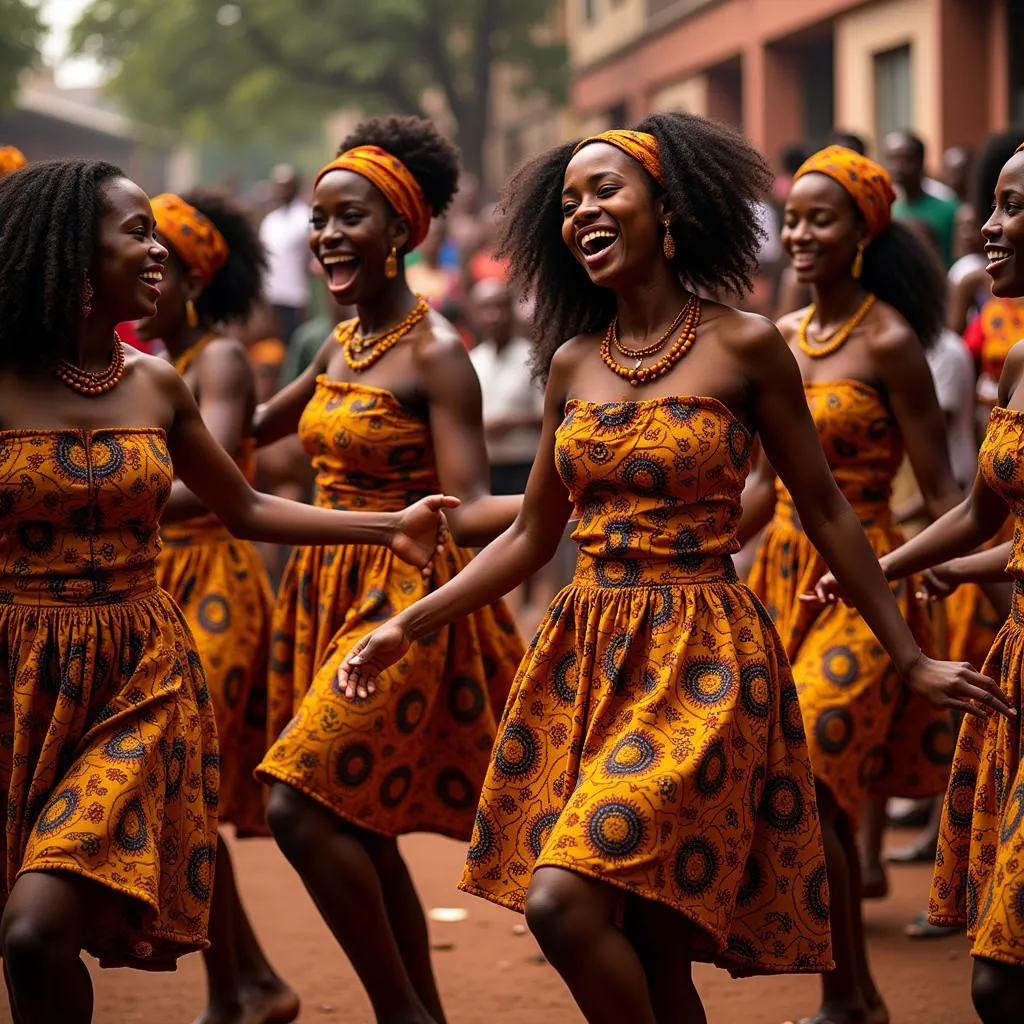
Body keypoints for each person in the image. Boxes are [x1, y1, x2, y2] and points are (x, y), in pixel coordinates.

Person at [334, 113, 1007, 1024]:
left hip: (706, 657)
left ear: (671, 207)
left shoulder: (746, 344)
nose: (584, 212)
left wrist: (910, 655)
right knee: (653, 949)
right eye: (569, 201)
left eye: (605, 190)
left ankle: (853, 994)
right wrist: (406, 622)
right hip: (585, 661)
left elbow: (828, 511)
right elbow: (533, 536)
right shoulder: (572, 362)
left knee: (561, 905)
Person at [0, 159, 456, 1024]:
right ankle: (248, 985)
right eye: (136, 234)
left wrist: (386, 525)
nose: (156, 252)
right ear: (69, 250)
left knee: (33, 931)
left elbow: (241, 504)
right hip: (20, 677)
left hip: (138, 674)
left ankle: (258, 988)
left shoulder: (157, 384)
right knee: (28, 938)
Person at [252, 116, 524, 1024]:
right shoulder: (337, 345)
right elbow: (245, 437)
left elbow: (471, 503)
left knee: (298, 806)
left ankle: (402, 1016)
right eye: (320, 219)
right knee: (352, 822)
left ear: (401, 232)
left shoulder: (437, 354)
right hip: (324, 596)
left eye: (351, 217)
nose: (328, 235)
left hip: (408, 593)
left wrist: (572, 499)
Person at [739, 145, 961, 1023]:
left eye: (819, 219)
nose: (798, 234)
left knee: (822, 773)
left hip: (869, 578)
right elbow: (762, 487)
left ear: (862, 233)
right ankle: (857, 995)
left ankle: (848, 998)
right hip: (784, 575)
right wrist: (695, 545)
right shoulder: (779, 340)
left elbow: (943, 490)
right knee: (792, 779)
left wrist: (965, 579)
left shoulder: (892, 341)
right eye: (793, 217)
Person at [808, 141, 1024, 1024]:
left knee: (998, 977)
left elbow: (951, 498)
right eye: (993, 204)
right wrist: (883, 570)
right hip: (1001, 645)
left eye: (1013, 207)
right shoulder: (1019, 362)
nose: (989, 226)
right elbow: (981, 512)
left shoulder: (893, 343)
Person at [133, 189, 298, 1024]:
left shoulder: (219, 360)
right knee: (180, 790)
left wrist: (109, 498)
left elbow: (216, 490)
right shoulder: (145, 365)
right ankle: (249, 984)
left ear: (190, 278)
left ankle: (245, 987)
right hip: (160, 581)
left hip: (219, 583)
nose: (141, 274)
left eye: (159, 261)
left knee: (188, 782)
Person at [885, 130, 959, 266]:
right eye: (892, 159)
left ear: (921, 161)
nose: (898, 167)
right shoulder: (886, 209)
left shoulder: (949, 210)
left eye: (906, 159)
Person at [259, 164, 310, 343]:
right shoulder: (270, 221)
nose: (281, 191)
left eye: (285, 186)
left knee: (295, 342)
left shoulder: (306, 218)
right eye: (278, 186)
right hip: (273, 296)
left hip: (296, 296)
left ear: (295, 188)